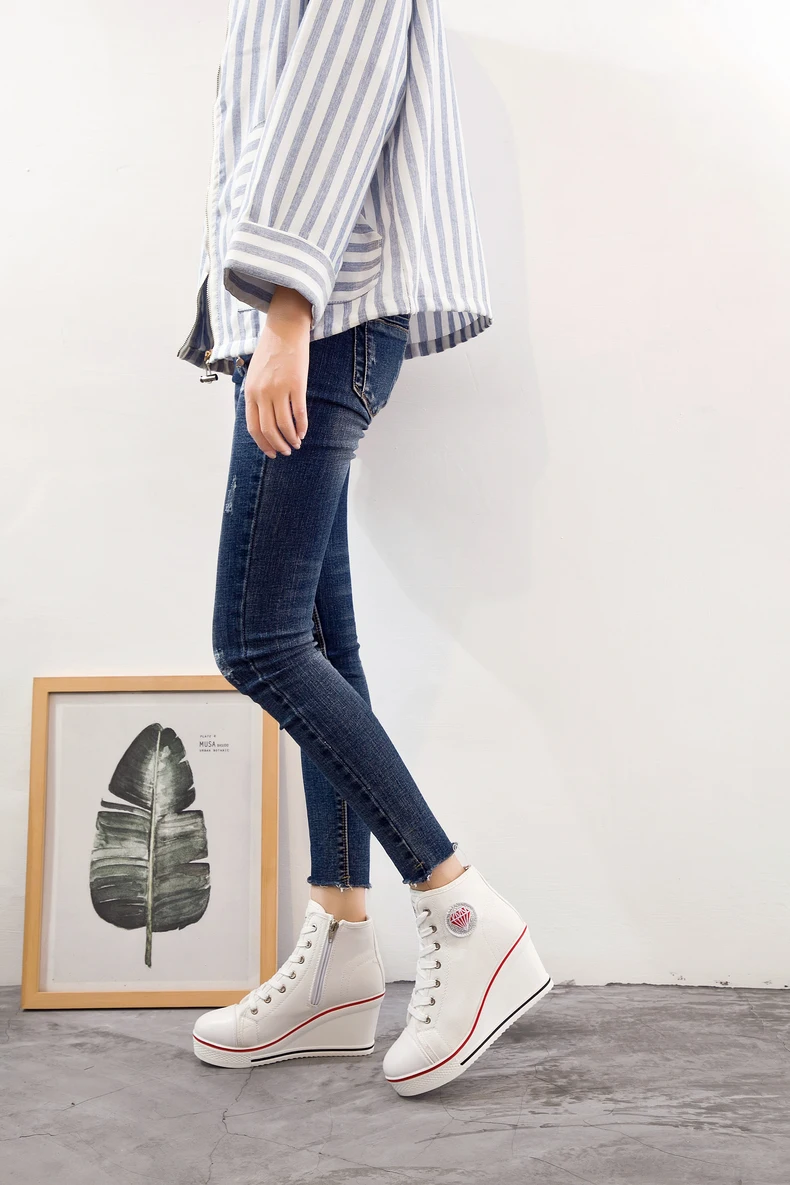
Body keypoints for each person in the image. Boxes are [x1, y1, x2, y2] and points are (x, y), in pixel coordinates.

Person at [179, 0, 552, 1097]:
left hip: (323, 320)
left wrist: (286, 315)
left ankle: (463, 912)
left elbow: (328, 116)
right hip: (301, 324)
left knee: (256, 642)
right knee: (314, 642)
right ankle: (341, 953)